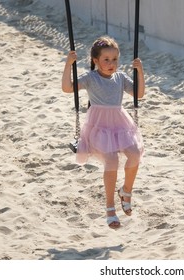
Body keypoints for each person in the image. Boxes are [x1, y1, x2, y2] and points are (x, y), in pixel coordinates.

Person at [62, 36, 145, 229]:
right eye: (106, 59)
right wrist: (68, 64)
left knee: (135, 154)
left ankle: (126, 191)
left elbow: (139, 94)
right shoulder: (91, 78)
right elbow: (67, 88)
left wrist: (140, 71)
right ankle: (110, 207)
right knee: (112, 161)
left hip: (119, 123)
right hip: (99, 127)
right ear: (95, 61)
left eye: (114, 59)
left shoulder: (121, 77)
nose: (111, 64)